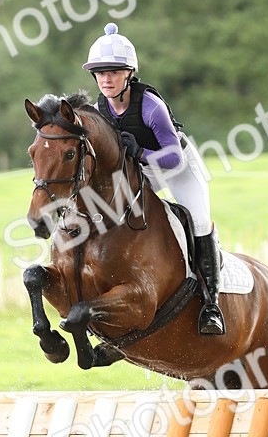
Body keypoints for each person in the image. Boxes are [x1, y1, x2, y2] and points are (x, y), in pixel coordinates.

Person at [83, 22, 225, 335]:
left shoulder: (150, 105)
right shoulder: (99, 109)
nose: (106, 79)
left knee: (199, 221)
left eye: (114, 72)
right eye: (100, 73)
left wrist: (142, 152)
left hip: (178, 166)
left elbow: (172, 157)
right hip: (143, 170)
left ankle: (211, 305)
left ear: (128, 74)